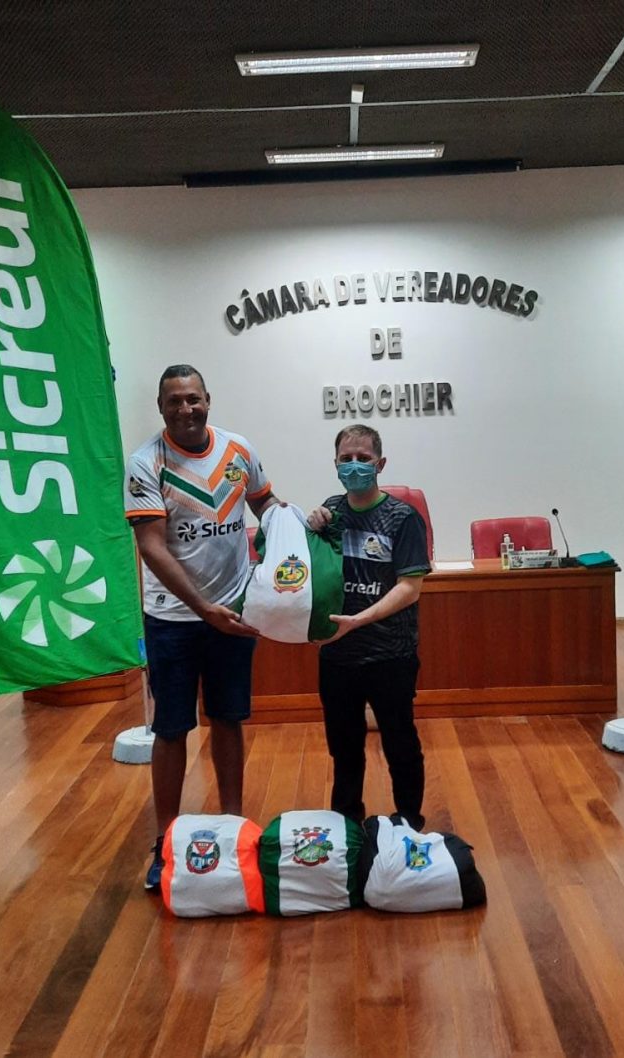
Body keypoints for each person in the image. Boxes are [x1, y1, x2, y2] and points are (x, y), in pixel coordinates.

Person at [125, 364, 280, 891]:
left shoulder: (238, 450)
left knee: (228, 718)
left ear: (208, 400)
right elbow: (151, 546)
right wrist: (202, 607)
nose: (185, 409)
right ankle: (166, 842)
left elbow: (264, 504)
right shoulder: (146, 463)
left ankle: (234, 827)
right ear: (161, 407)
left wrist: (291, 525)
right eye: (174, 401)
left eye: (193, 399)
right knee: (171, 729)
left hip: (232, 613)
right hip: (172, 618)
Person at [307, 425, 431, 830]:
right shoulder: (330, 512)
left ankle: (409, 823)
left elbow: (410, 588)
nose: (355, 465)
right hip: (337, 654)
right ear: (335, 464)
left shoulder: (403, 518)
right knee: (343, 748)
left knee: (400, 744)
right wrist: (309, 526)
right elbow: (310, 568)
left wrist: (359, 620)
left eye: (363, 458)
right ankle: (347, 825)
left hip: (390, 653)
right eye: (347, 459)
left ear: (381, 464)